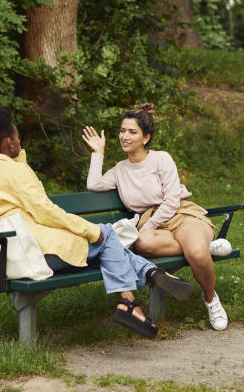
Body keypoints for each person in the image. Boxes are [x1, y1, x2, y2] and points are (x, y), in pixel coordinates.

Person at [0, 106, 192, 338]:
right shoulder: (15, 172)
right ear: (9, 142)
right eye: (17, 137)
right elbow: (46, 211)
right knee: (105, 234)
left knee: (106, 245)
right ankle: (140, 285)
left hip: (13, 251)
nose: (20, 141)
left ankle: (135, 295)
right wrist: (87, 229)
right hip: (38, 252)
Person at [82, 103, 231, 331]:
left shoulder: (161, 159)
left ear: (146, 137)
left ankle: (210, 299)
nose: (124, 136)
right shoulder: (120, 170)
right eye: (122, 130)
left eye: (132, 132)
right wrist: (98, 152)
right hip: (152, 226)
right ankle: (205, 246)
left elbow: (171, 201)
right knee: (142, 242)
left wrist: (147, 226)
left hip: (180, 215)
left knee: (195, 253)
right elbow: (93, 184)